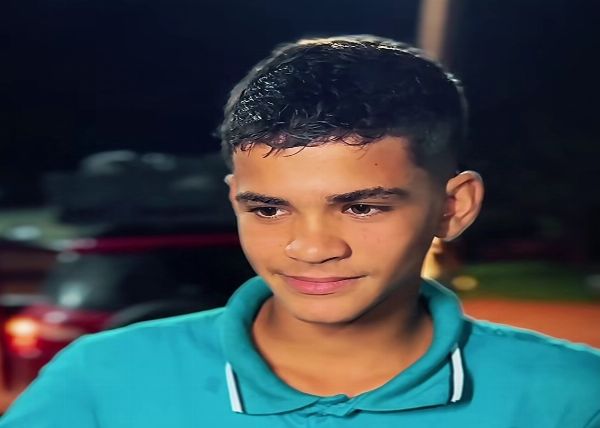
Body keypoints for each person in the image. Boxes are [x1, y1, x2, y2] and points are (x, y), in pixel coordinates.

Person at [1, 35, 599, 427]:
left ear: (453, 207)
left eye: (362, 208)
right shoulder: (102, 380)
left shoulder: (574, 397)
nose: (311, 248)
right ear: (235, 201)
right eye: (268, 210)